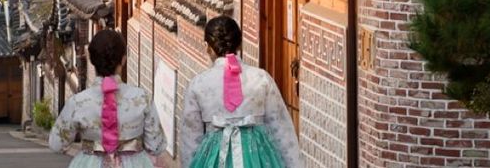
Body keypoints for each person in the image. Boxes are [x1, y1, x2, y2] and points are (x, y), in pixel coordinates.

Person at [179, 16, 303, 168]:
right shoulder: (261, 78)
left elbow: (190, 138)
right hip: (258, 157)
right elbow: (282, 130)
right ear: (239, 45)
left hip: (213, 160)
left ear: (207, 47)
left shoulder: (198, 84)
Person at [50, 29, 167, 167]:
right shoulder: (142, 98)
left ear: (91, 59)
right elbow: (157, 145)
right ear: (123, 59)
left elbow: (56, 144)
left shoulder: (77, 103)